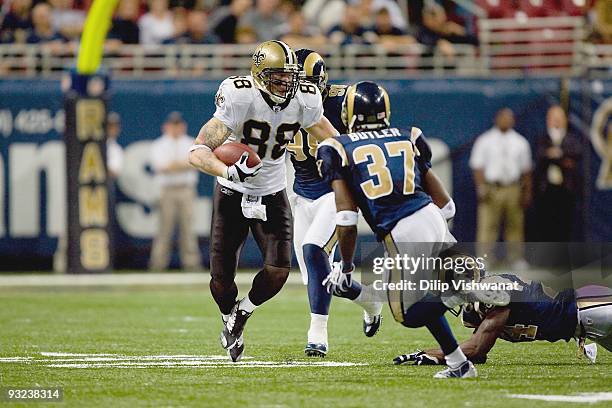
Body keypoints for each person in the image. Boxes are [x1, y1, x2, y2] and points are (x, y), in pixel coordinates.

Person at [316, 81, 493, 378]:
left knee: (405, 313)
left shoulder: (337, 148)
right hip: (430, 217)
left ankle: (463, 290)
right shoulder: (408, 136)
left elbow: (346, 219)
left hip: (402, 230)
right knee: (419, 297)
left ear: (349, 113)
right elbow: (448, 206)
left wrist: (345, 268)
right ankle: (459, 363)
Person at [188, 40, 339, 362]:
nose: (287, 83)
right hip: (231, 192)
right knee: (222, 278)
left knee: (278, 271)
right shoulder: (239, 94)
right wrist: (228, 171)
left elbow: (331, 137)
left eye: (290, 76)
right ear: (259, 75)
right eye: (278, 76)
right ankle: (228, 314)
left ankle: (241, 314)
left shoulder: (305, 98)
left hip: (272, 190)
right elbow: (197, 151)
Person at [288, 50, 384, 357]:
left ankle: (317, 333)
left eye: (307, 86)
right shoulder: (276, 102)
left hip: (335, 192)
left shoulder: (342, 103)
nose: (300, 93)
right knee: (317, 275)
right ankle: (369, 299)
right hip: (301, 194)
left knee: (313, 249)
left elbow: (366, 144)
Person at [394, 275, 612, 365]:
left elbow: (476, 349)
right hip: (584, 324)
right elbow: (476, 356)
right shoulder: (495, 293)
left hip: (589, 310)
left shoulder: (494, 294)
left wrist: (430, 354)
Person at [470, 108, 532, 269]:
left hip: (513, 187)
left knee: (515, 225)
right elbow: (477, 166)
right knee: (488, 225)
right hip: (492, 187)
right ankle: (484, 258)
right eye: (503, 117)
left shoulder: (520, 142)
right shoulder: (485, 140)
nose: (506, 121)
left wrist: (526, 191)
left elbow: (526, 170)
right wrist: (481, 187)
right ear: (496, 119)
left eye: (509, 118)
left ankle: (516, 258)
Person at [149, 111, 201, 272]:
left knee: (188, 228)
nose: (176, 128)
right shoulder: (159, 144)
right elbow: (161, 167)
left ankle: (191, 264)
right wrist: (182, 164)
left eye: (178, 124)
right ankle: (158, 264)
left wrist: (174, 166)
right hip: (167, 190)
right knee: (164, 229)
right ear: (166, 127)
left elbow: (196, 163)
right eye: (173, 124)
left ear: (183, 126)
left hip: (186, 189)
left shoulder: (191, 142)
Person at [534, 105, 582, 242]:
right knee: (545, 224)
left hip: (566, 187)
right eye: (553, 118)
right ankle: (547, 259)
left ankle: (563, 259)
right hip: (546, 188)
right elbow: (540, 156)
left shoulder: (572, 138)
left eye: (559, 118)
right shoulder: (542, 137)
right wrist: (561, 158)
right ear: (548, 119)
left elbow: (576, 154)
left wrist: (556, 155)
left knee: (565, 224)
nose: (556, 121)